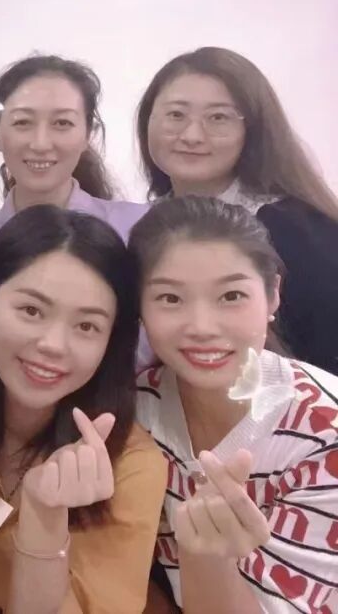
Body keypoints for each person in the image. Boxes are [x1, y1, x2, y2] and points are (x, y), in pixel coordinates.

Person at [0, 205, 165, 613]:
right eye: (31, 311)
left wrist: (45, 519)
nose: (52, 345)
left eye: (86, 326)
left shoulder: (129, 467)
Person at [131, 196, 338, 613]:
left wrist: (207, 558)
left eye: (231, 296)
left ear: (273, 295)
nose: (202, 327)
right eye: (170, 298)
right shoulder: (137, 408)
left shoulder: (323, 434)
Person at [137, 46, 338, 373]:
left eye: (218, 118)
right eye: (175, 115)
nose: (191, 135)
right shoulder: (139, 221)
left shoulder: (298, 230)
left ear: (254, 130)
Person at [0, 54, 147, 242]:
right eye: (22, 122)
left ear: (87, 134)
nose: (40, 144)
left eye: (62, 123)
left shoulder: (137, 228)